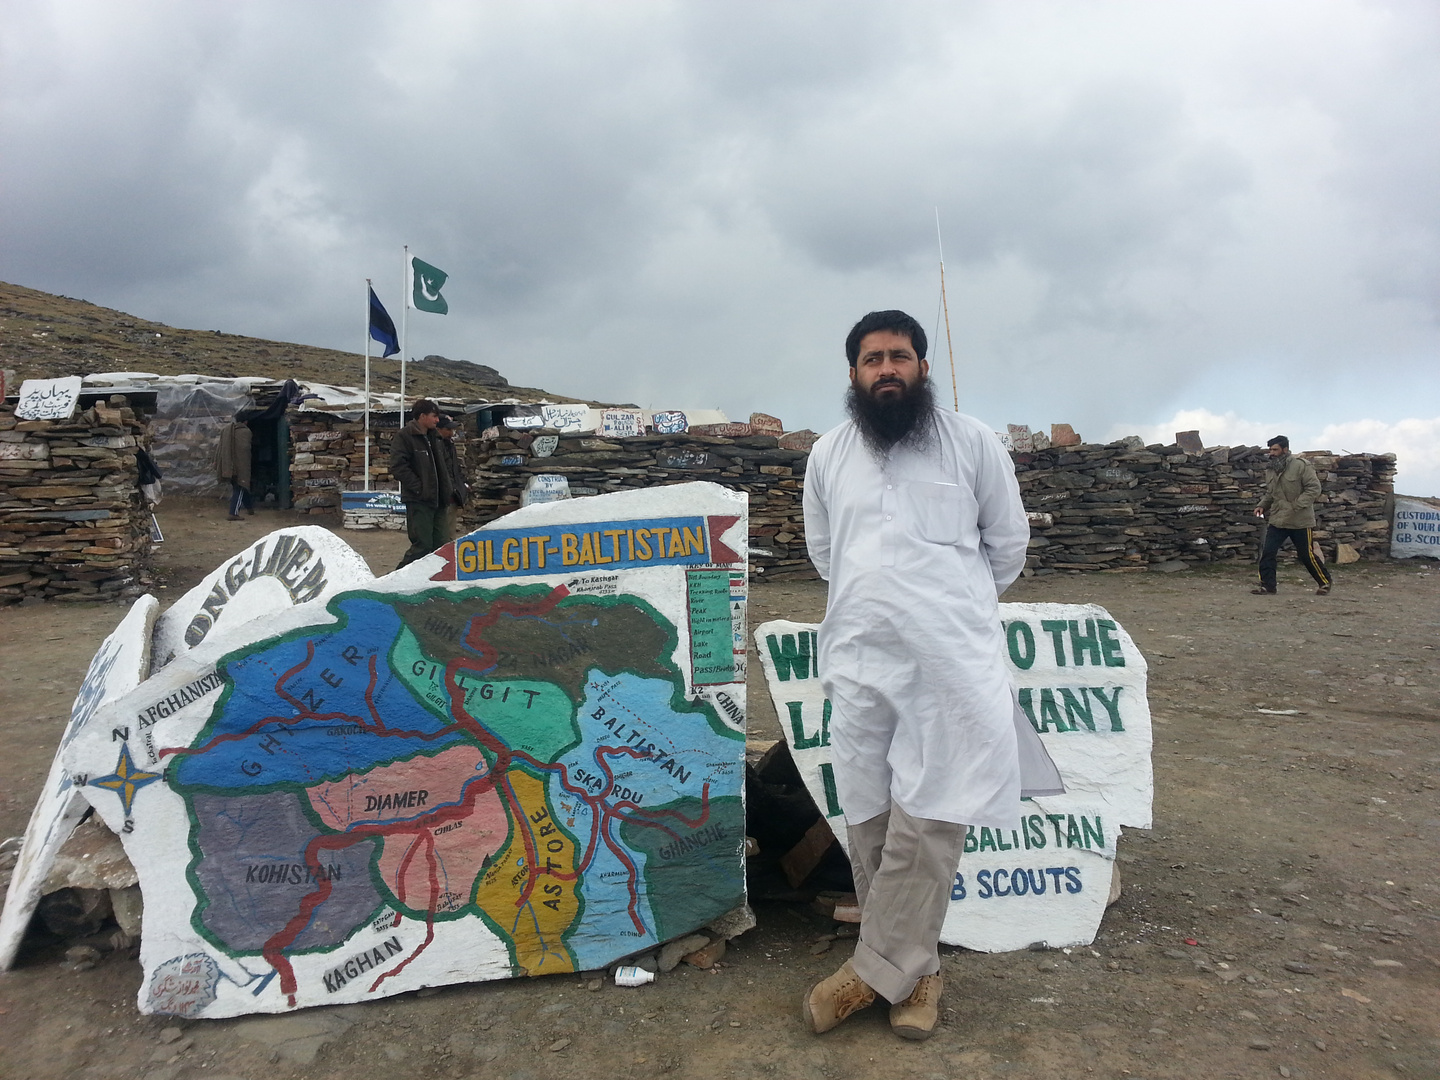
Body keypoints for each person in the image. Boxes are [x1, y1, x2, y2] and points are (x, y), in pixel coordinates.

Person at [801, 310, 1062, 1041]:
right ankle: (919, 974)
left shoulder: (973, 442)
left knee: (934, 813)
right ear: (852, 372)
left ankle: (871, 972)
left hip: (949, 661)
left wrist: (948, 609)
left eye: (901, 356)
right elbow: (828, 553)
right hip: (858, 656)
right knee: (870, 814)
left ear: (922, 366)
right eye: (873, 358)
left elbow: (1005, 546)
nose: (888, 369)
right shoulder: (827, 454)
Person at [1252, 434, 1331, 595]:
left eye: (1275, 449)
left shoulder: (1301, 466)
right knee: (1267, 552)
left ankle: (1324, 582)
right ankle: (1267, 586)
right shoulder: (1271, 469)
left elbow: (1314, 489)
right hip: (1278, 519)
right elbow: (1271, 492)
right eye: (1270, 450)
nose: (1271, 453)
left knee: (1306, 555)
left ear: (1285, 449)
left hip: (1300, 519)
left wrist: (1296, 505)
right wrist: (1262, 506)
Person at [390, 399, 453, 569]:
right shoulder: (405, 437)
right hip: (419, 501)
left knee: (441, 545)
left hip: (439, 500)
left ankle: (430, 582)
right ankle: (395, 579)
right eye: (434, 416)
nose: (437, 420)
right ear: (422, 416)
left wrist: (450, 488)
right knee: (422, 545)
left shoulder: (436, 438)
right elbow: (398, 467)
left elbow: (446, 466)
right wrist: (419, 489)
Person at [434, 414, 469, 541]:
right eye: (448, 429)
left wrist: (461, 484)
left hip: (452, 491)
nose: (451, 432)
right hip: (443, 493)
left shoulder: (450, 445)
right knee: (445, 530)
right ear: (439, 429)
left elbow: (455, 468)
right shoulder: (436, 445)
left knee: (450, 528)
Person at [215, 418, 253, 520]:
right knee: (240, 486)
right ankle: (233, 513)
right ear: (246, 421)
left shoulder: (227, 430)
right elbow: (245, 450)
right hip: (241, 464)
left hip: (228, 463)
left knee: (241, 486)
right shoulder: (246, 432)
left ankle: (249, 508)